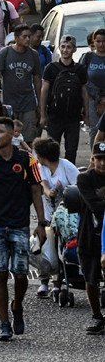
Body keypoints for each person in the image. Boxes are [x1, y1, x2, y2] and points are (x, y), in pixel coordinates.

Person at [0, 117, 46, 342]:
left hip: (20, 225)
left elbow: (36, 192)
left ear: (12, 134)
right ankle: (4, 323)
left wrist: (41, 224)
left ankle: (18, 306)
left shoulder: (27, 160)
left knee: (21, 274)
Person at [32, 136, 79, 300]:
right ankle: (43, 281)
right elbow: (43, 183)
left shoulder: (67, 167)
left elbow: (78, 188)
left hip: (66, 215)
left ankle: (58, 284)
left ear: (43, 155)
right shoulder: (40, 167)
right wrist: (48, 191)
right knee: (45, 246)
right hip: (47, 214)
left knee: (61, 248)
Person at [39, 35, 88, 164]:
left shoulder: (80, 69)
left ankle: (70, 178)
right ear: (59, 48)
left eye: (69, 47)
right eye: (63, 47)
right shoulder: (51, 68)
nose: (66, 50)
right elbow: (44, 91)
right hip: (54, 116)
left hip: (73, 116)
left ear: (74, 49)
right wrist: (43, 115)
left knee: (71, 150)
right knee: (52, 149)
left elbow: (84, 92)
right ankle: (53, 176)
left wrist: (86, 114)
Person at [75, 142, 105, 335]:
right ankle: (97, 316)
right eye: (99, 159)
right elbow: (95, 206)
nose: (102, 163)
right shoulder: (84, 178)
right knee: (90, 277)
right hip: (89, 233)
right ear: (93, 159)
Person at [0, 24, 41, 143]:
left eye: (29, 36)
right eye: (24, 36)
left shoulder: (33, 54)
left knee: (29, 137)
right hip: (9, 102)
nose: (27, 39)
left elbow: (36, 79)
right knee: (8, 136)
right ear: (16, 38)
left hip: (28, 102)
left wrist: (40, 103)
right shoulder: (5, 53)